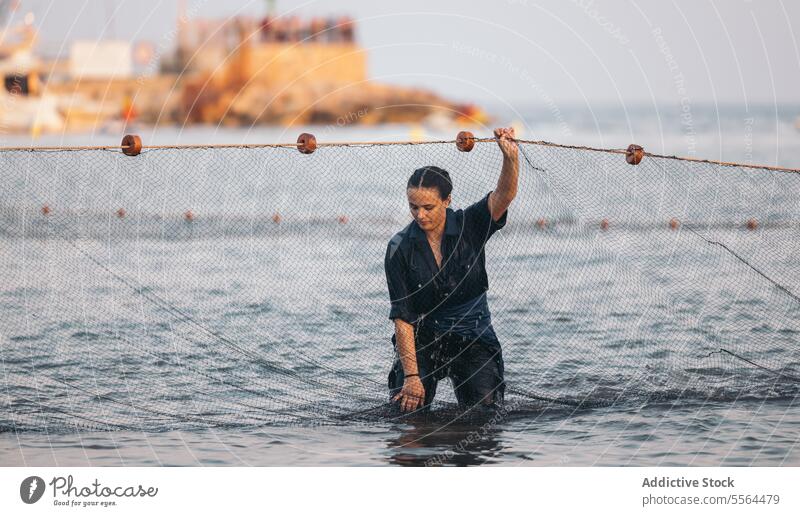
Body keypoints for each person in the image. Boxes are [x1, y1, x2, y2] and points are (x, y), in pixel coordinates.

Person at [384, 127, 519, 414]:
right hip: (424, 339)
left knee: (484, 417)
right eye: (413, 206)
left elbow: (504, 195)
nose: (420, 215)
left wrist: (510, 158)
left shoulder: (471, 224)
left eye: (428, 207)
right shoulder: (399, 248)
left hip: (474, 337)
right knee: (407, 413)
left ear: (447, 200)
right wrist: (411, 377)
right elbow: (402, 317)